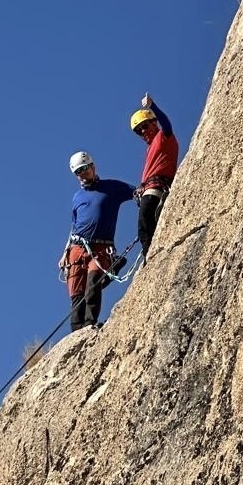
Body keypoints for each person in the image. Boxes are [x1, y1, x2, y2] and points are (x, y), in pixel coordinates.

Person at [57, 152, 136, 332]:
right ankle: (77, 331)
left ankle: (89, 323)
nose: (82, 174)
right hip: (76, 248)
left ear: (93, 167)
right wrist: (65, 253)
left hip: (101, 247)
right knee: (76, 293)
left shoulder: (112, 188)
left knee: (93, 283)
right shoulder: (77, 197)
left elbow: (136, 192)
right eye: (78, 172)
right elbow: (74, 226)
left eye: (84, 169)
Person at [130, 92, 180, 261]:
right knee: (146, 224)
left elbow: (166, 125)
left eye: (145, 126)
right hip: (149, 188)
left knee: (144, 224)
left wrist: (153, 106)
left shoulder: (164, 137)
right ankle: (149, 255)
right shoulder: (150, 148)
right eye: (139, 131)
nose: (143, 132)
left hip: (156, 188)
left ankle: (148, 258)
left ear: (154, 123)